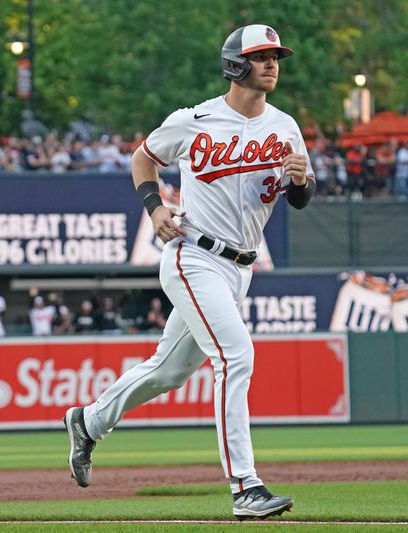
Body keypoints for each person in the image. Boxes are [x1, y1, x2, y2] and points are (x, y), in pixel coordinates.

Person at [63, 24, 313, 521]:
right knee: (236, 355)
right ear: (236, 65)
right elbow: (143, 159)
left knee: (169, 371)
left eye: (275, 57)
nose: (271, 64)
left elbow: (300, 198)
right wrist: (154, 206)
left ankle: (88, 422)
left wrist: (302, 182)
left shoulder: (285, 126)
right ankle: (246, 487)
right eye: (261, 56)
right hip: (192, 255)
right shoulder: (195, 119)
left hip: (240, 267)